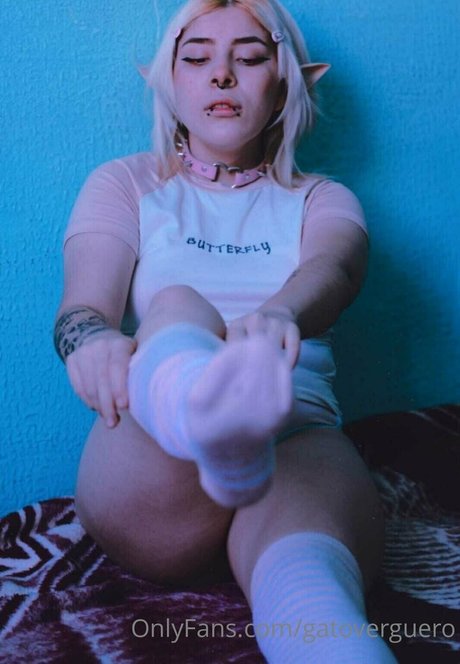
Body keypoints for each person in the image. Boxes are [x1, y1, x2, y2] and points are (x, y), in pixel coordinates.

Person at [54, 0, 397, 661]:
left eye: (249, 57)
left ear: (285, 82)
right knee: (181, 306)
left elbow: (334, 268)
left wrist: (279, 316)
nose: (221, 75)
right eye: (198, 57)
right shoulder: (125, 183)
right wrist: (92, 343)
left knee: (310, 587)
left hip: (293, 434)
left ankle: (240, 440)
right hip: (154, 461)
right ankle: (204, 416)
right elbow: (81, 310)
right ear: (169, 80)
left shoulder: (322, 199)